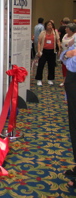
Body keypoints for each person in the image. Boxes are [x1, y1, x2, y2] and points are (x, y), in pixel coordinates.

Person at [60, 44, 76, 188]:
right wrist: (68, 54)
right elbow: (63, 56)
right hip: (72, 88)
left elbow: (71, 63)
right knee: (74, 129)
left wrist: (70, 56)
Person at [35, 20, 61, 86]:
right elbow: (39, 42)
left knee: (51, 66)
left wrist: (59, 49)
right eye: (48, 25)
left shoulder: (55, 32)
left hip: (52, 51)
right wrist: (38, 51)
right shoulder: (43, 33)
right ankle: (39, 79)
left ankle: (50, 79)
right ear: (45, 26)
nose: (50, 26)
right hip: (44, 51)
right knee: (41, 65)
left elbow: (58, 41)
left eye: (51, 25)